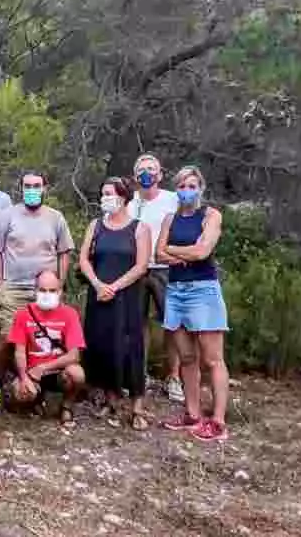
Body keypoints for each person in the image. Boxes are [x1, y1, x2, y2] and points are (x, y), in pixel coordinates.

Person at [0, 170, 75, 409]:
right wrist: (0, 279)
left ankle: (33, 387)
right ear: (21, 188)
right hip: (13, 288)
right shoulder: (7, 216)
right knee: (7, 338)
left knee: (40, 341)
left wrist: (60, 284)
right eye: (27, 185)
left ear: (45, 188)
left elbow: (64, 253)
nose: (32, 190)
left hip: (44, 291)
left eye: (36, 185)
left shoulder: (55, 218)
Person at [157, 166, 231, 442]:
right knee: (187, 357)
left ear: (200, 188)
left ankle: (218, 421)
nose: (186, 190)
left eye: (191, 185)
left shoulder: (210, 215)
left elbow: (203, 251)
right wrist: (176, 253)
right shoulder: (170, 219)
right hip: (175, 290)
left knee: (212, 358)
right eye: (181, 185)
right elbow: (158, 253)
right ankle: (192, 413)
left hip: (203, 290)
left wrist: (173, 250)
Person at [79, 178, 152, 430]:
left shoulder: (139, 228)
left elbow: (141, 265)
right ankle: (110, 399)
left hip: (127, 296)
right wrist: (98, 284)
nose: (104, 198)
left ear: (123, 197)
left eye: (108, 193)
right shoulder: (96, 226)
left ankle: (137, 407)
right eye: (102, 193)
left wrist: (115, 287)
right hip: (98, 294)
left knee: (132, 347)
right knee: (102, 344)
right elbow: (84, 259)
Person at [127, 153, 184, 403]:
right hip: (138, 269)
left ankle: (174, 377)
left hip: (165, 269)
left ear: (160, 174)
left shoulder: (172, 200)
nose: (147, 173)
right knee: (138, 325)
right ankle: (140, 375)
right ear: (135, 175)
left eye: (152, 169)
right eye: (142, 169)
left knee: (172, 324)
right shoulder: (130, 205)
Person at [6, 270, 86, 427]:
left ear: (60, 292)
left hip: (58, 370)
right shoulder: (23, 315)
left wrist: (44, 367)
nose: (47, 294)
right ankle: (35, 401)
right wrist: (23, 377)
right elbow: (19, 352)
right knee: (21, 394)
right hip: (31, 371)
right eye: (42, 290)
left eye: (52, 290)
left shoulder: (70, 314)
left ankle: (66, 407)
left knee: (77, 374)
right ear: (35, 291)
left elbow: (74, 355)